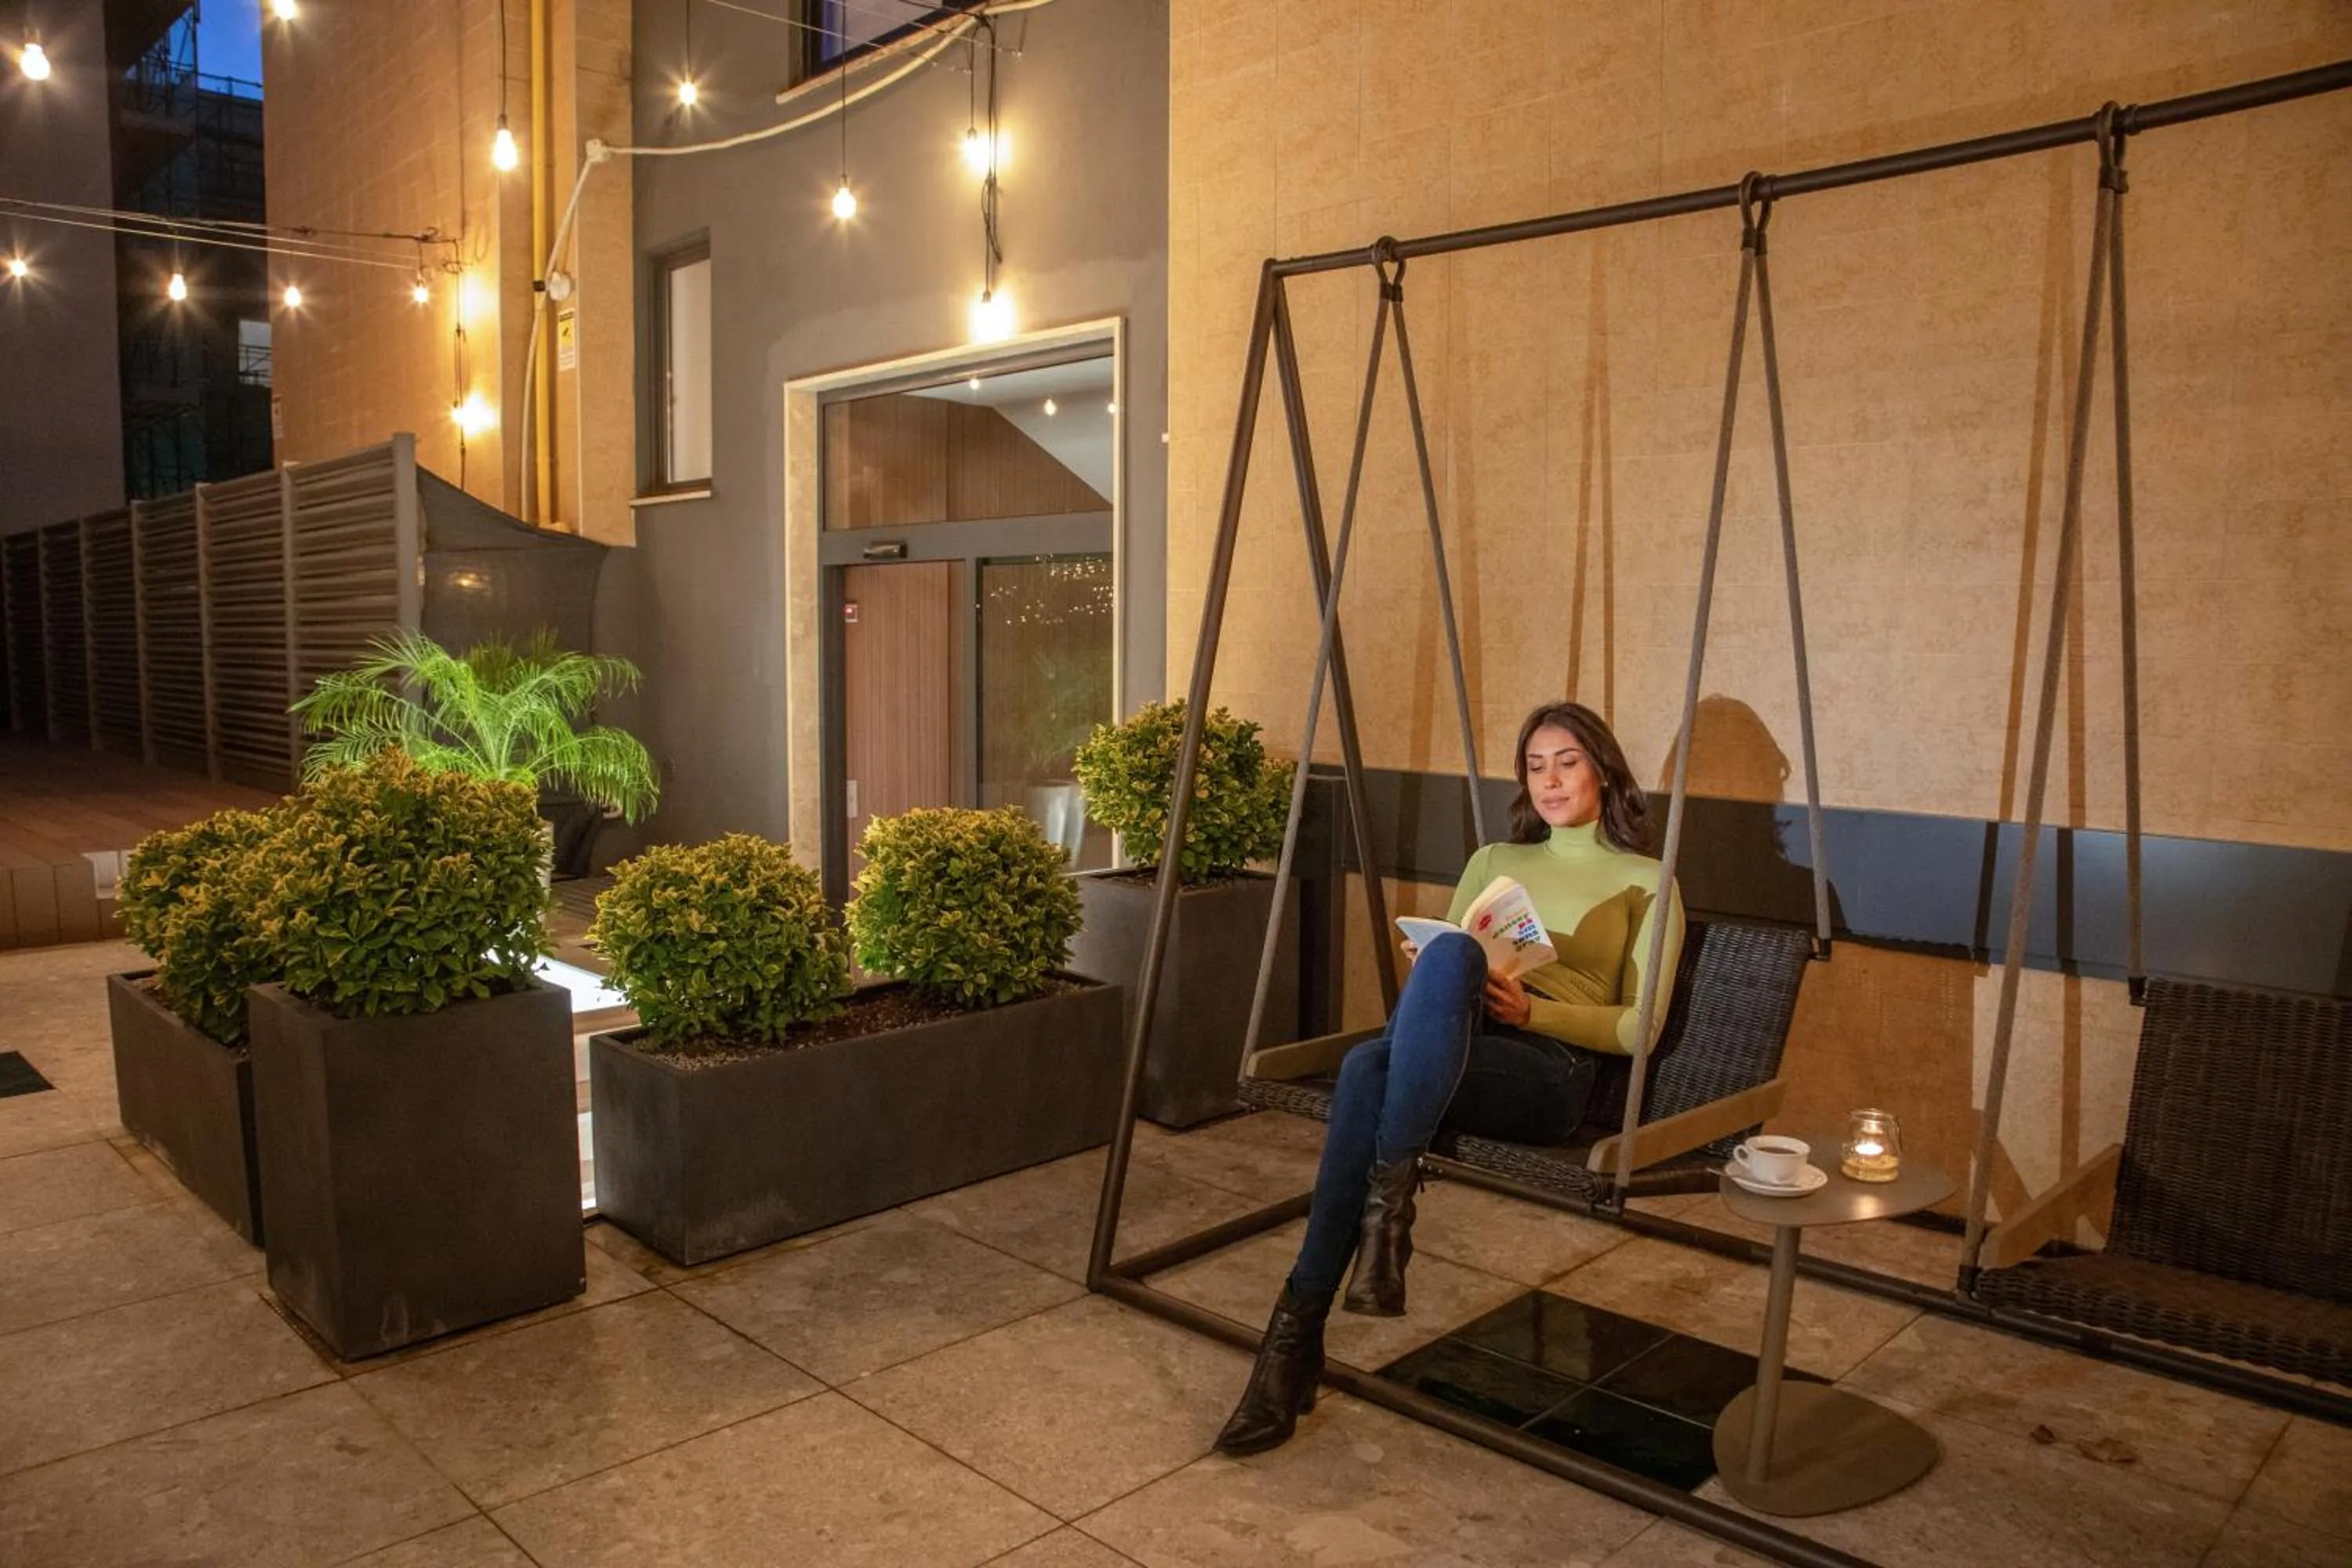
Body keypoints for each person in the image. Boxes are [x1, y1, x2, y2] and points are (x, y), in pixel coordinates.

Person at [1214, 699, 1686, 1455]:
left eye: (1567, 762)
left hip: (1548, 1072)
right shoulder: (1494, 862)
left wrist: (1535, 1015)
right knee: (1436, 978)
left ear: (1603, 770)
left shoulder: (1646, 880)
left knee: (1369, 1066)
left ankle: (1297, 1338)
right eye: (1535, 766)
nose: (1551, 780)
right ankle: (1369, 1244)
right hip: (1457, 1051)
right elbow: (1440, 993)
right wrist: (1439, 966)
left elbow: (1640, 1028)